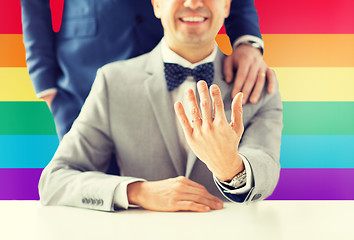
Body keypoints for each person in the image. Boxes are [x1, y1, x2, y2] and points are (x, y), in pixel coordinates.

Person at [38, 0, 283, 212]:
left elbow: (266, 169)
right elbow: (54, 180)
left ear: (228, 4)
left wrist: (230, 167)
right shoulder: (113, 83)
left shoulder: (257, 83)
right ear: (156, 4)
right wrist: (137, 192)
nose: (193, 3)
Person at [20, 0, 275, 139]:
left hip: (174, 60)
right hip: (82, 75)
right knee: (90, 195)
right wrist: (45, 82)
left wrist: (246, 41)